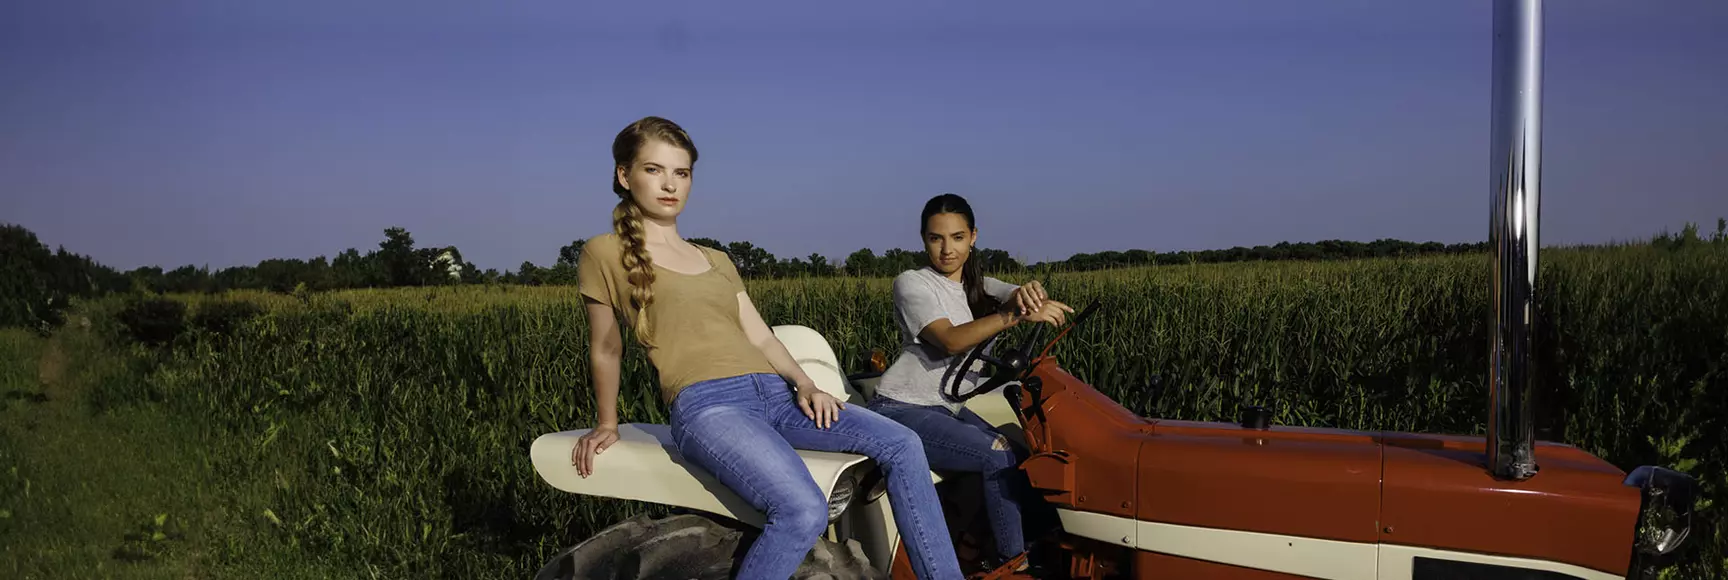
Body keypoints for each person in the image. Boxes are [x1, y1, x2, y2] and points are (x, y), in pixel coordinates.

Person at [568, 116, 965, 580]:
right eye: (654, 170)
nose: (670, 184)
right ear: (624, 175)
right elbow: (607, 346)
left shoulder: (714, 259)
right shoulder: (603, 251)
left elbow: (760, 335)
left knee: (903, 443)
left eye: (682, 173)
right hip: (709, 406)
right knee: (802, 511)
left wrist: (804, 383)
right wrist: (607, 423)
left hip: (776, 393)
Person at [865, 193, 1073, 573]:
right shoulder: (912, 283)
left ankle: (1002, 545)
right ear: (923, 238)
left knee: (1027, 457)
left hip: (949, 405)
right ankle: (1012, 565)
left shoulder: (977, 284)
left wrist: (1028, 292)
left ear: (973, 237)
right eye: (936, 238)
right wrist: (1014, 315)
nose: (947, 249)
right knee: (995, 453)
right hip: (902, 407)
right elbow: (951, 339)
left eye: (957, 237)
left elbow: (1015, 292)